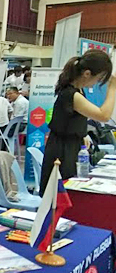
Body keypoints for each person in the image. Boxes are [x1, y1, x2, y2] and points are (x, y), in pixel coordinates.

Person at [40, 51, 116, 195]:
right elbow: (104, 115)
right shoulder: (71, 94)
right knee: (60, 195)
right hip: (62, 152)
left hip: (71, 147)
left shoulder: (78, 90)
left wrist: (83, 133)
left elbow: (73, 118)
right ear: (87, 74)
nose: (98, 82)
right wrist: (112, 88)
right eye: (99, 78)